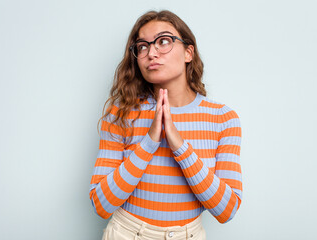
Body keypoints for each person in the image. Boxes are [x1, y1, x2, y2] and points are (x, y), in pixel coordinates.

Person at [89, 10, 242, 240]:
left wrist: (179, 145)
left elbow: (227, 210)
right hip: (127, 234)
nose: (151, 53)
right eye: (142, 46)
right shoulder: (120, 115)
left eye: (163, 42)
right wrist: (149, 142)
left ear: (188, 52)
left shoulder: (223, 118)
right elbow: (101, 205)